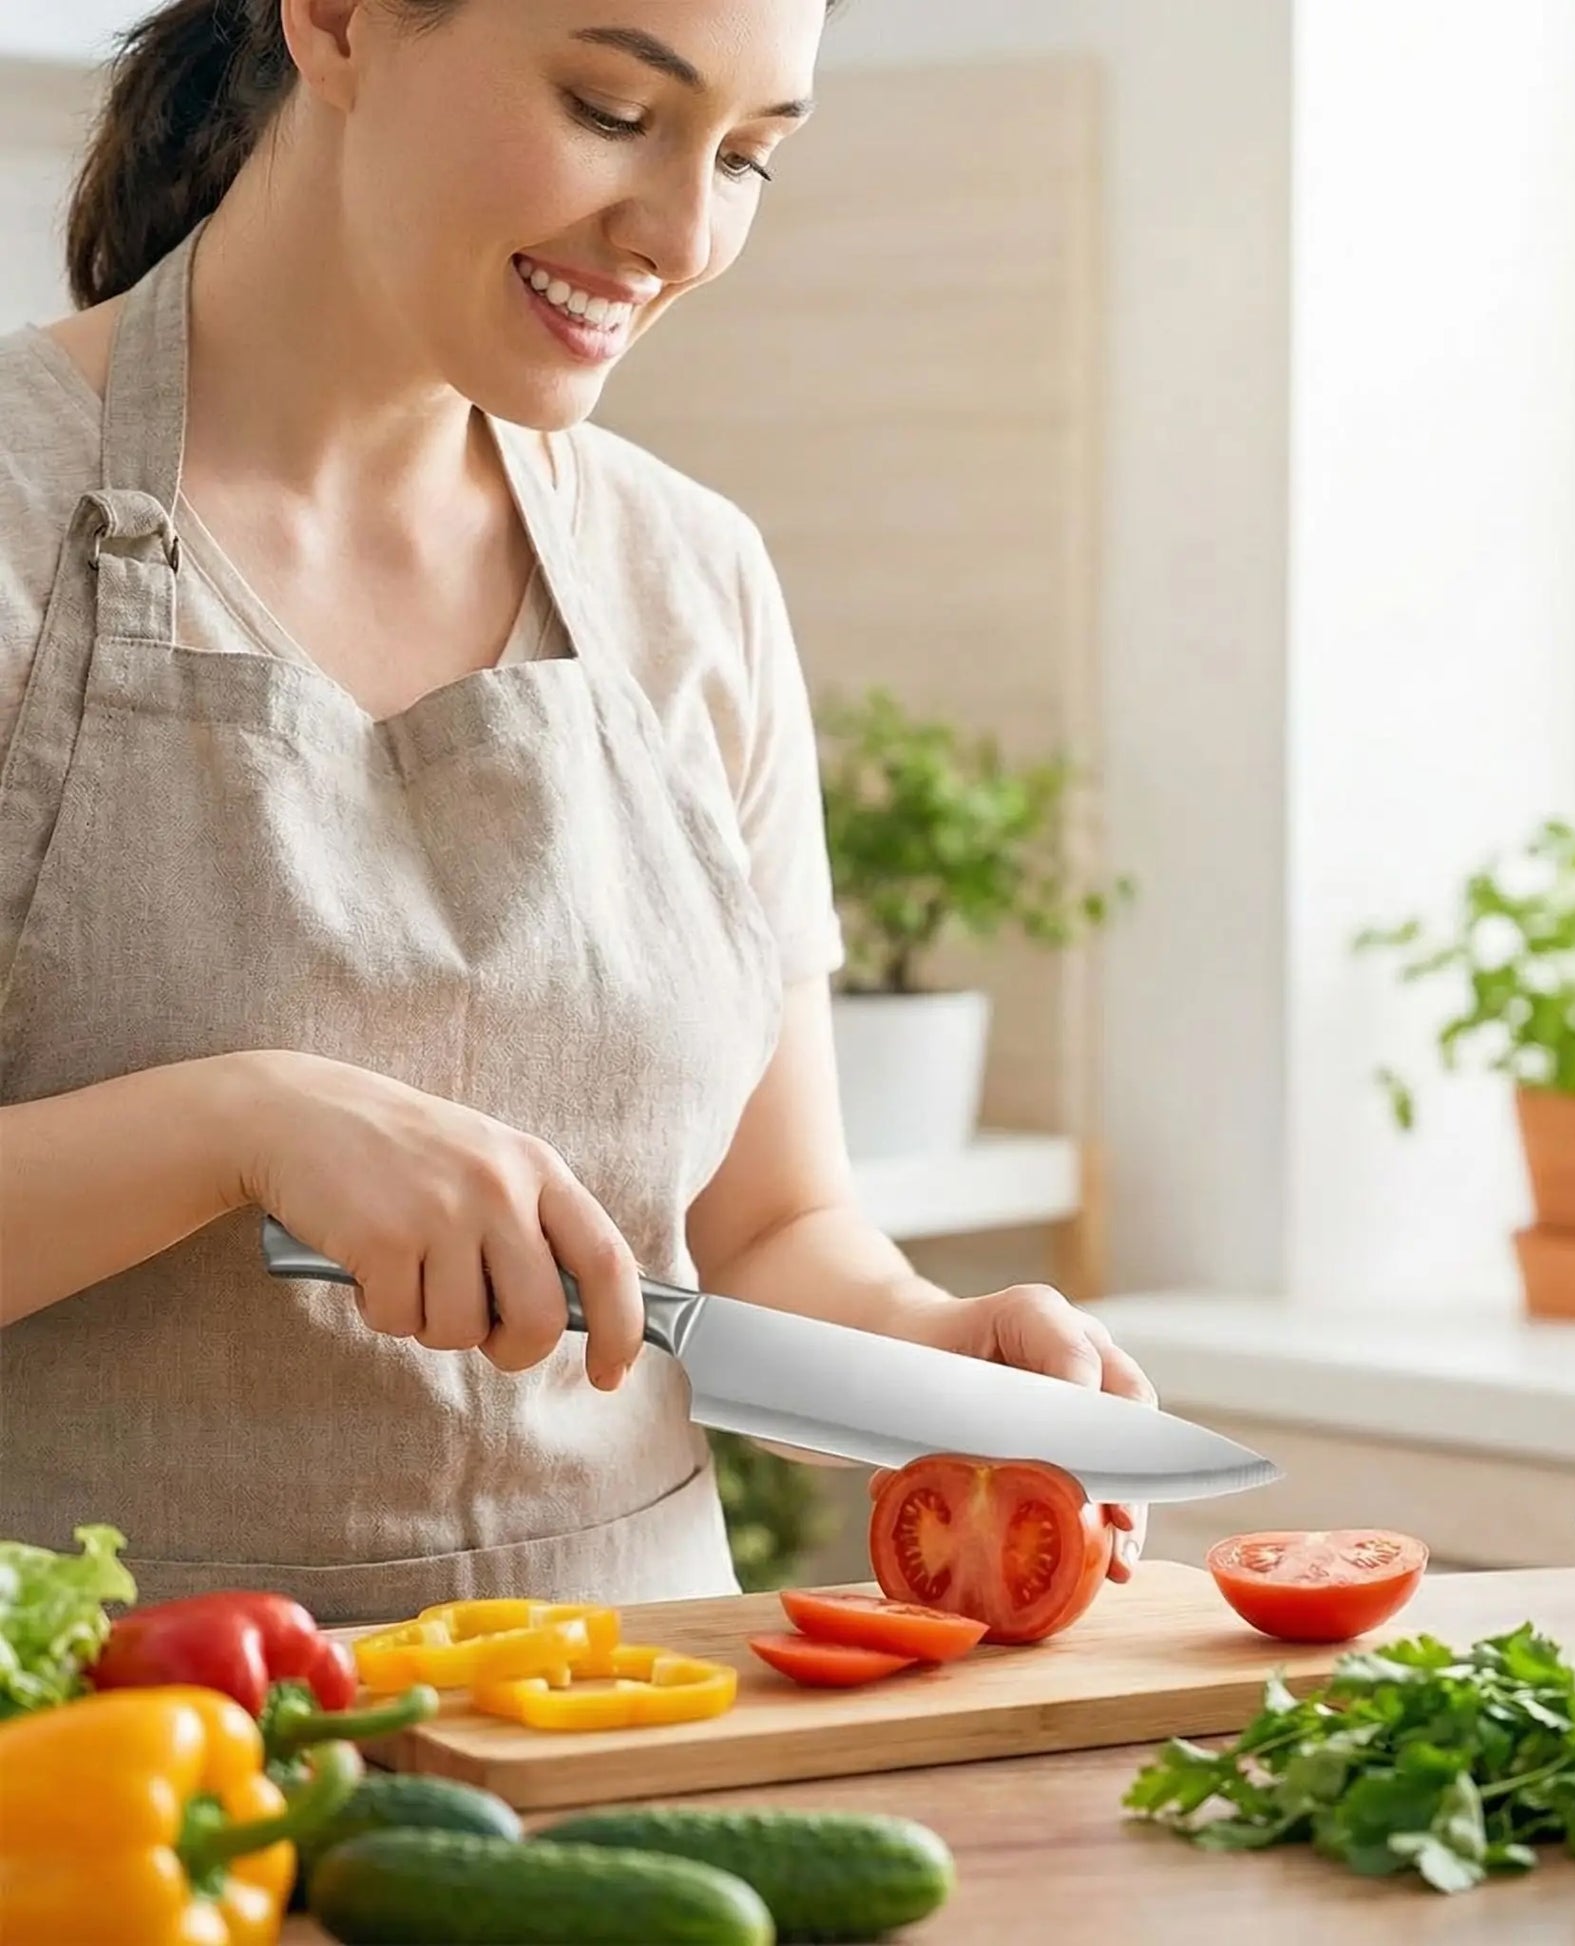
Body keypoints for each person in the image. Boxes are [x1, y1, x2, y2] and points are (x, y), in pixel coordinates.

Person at [0, 0, 1153, 1623]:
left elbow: (769, 1227)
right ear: (333, 22)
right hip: (108, 1779)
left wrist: (927, 1347)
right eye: (612, 108)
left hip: (632, 1736)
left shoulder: (694, 581)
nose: (682, 236)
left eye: (748, 158)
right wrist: (237, 1121)